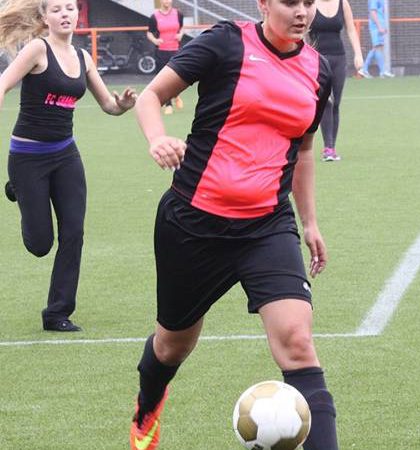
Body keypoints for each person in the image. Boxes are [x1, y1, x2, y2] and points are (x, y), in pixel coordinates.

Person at [129, 0, 337, 449]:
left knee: (298, 342)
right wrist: (157, 138)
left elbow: (303, 150)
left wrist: (310, 222)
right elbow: (150, 97)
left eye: (309, 2)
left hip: (267, 225)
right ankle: (148, 405)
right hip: (193, 223)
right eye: (290, 2)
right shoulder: (225, 43)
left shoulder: (318, 71)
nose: (302, 12)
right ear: (263, 4)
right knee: (172, 346)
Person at [0, 0, 136, 332]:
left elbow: (108, 105)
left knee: (73, 233)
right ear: (44, 17)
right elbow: (4, 83)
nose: (65, 14)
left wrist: (123, 104)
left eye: (70, 8)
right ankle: (19, 188)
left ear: (77, 14)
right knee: (40, 245)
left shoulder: (83, 57)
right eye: (57, 9)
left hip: (65, 156)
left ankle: (57, 312)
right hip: (28, 157)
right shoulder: (37, 49)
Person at [309, 0, 364, 162]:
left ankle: (331, 147)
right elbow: (304, 32)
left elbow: (351, 29)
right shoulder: (310, 4)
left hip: (339, 58)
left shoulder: (342, 3)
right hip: (318, 58)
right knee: (326, 101)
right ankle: (328, 148)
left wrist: (358, 54)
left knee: (336, 103)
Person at [146, 0, 184, 114]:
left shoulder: (178, 14)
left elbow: (182, 28)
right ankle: (168, 105)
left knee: (177, 78)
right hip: (161, 52)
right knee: (164, 80)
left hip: (176, 51)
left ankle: (176, 95)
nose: (167, 1)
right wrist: (155, 40)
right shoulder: (154, 16)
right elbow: (149, 33)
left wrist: (180, 34)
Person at [358, 0, 394, 78]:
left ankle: (379, 71)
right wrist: (379, 26)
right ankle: (379, 71)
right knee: (377, 47)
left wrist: (383, 25)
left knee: (378, 47)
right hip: (376, 27)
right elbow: (373, 12)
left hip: (379, 26)